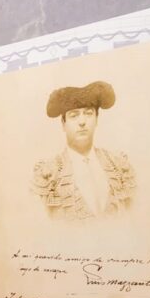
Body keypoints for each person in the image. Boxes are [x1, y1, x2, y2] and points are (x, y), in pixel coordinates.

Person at [33, 81, 136, 220]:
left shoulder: (119, 166)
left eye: (88, 113)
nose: (82, 122)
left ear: (96, 119)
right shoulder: (47, 174)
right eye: (74, 115)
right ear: (63, 124)